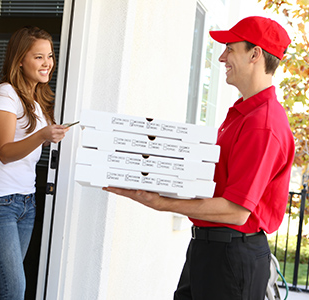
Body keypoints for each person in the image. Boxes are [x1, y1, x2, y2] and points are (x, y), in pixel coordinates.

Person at [104, 16, 295, 300]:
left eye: (230, 48)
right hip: (209, 250)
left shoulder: (263, 123)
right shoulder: (243, 114)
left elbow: (237, 210)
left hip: (231, 256)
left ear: (255, 54)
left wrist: (161, 203)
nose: (222, 57)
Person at [0, 26, 69, 299]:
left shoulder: (36, 101)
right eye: (38, 57)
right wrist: (42, 135)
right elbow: (5, 152)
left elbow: (33, 144)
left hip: (26, 201)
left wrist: (51, 134)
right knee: (14, 289)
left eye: (49, 56)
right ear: (19, 60)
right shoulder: (4, 94)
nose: (47, 63)